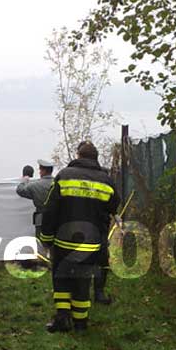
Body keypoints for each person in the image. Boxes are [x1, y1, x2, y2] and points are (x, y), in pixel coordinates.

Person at [39, 142, 120, 333]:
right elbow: (113, 206)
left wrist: (46, 237)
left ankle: (62, 319)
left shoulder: (64, 176)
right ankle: (81, 324)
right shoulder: (106, 181)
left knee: (61, 279)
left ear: (78, 155)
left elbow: (50, 209)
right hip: (90, 243)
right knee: (83, 281)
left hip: (64, 241)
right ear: (95, 157)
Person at [16, 159, 54, 237]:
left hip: (41, 221)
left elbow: (20, 190)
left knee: (41, 245)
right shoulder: (59, 183)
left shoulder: (35, 185)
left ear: (43, 171)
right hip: (56, 220)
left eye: (40, 169)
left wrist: (24, 180)